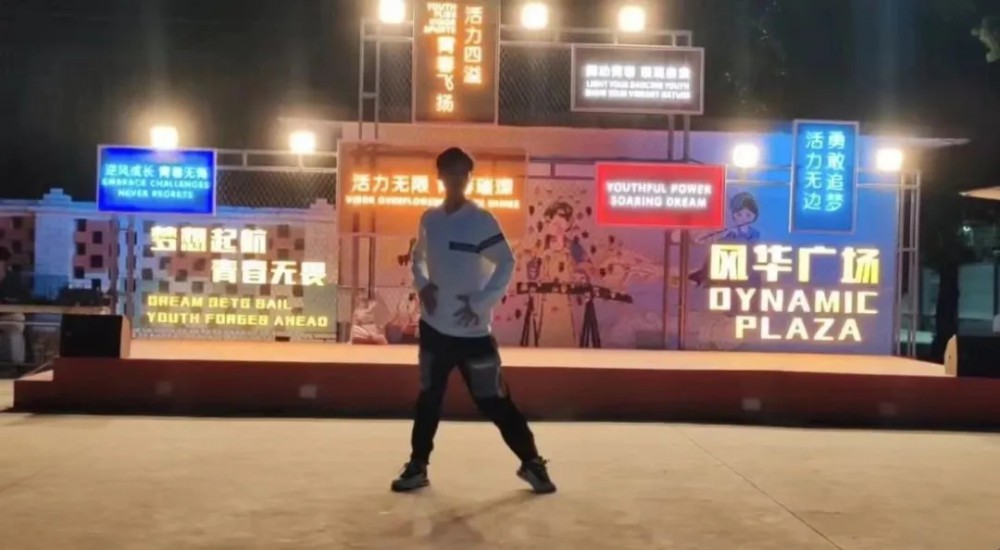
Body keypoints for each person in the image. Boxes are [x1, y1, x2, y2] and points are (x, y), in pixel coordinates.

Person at [391, 147, 556, 494]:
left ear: (469, 178)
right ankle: (418, 465)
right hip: (434, 329)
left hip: (473, 333)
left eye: (461, 173)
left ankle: (532, 463)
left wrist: (480, 303)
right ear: (439, 177)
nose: (455, 179)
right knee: (429, 398)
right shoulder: (429, 220)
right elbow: (417, 258)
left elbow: (506, 262)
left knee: (493, 399)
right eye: (448, 172)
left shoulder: (482, 220)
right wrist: (423, 286)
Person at [0, 247, 26, 364]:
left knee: (16, 324)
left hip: (8, 317)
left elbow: (22, 299)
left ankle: (17, 365)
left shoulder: (13, 280)